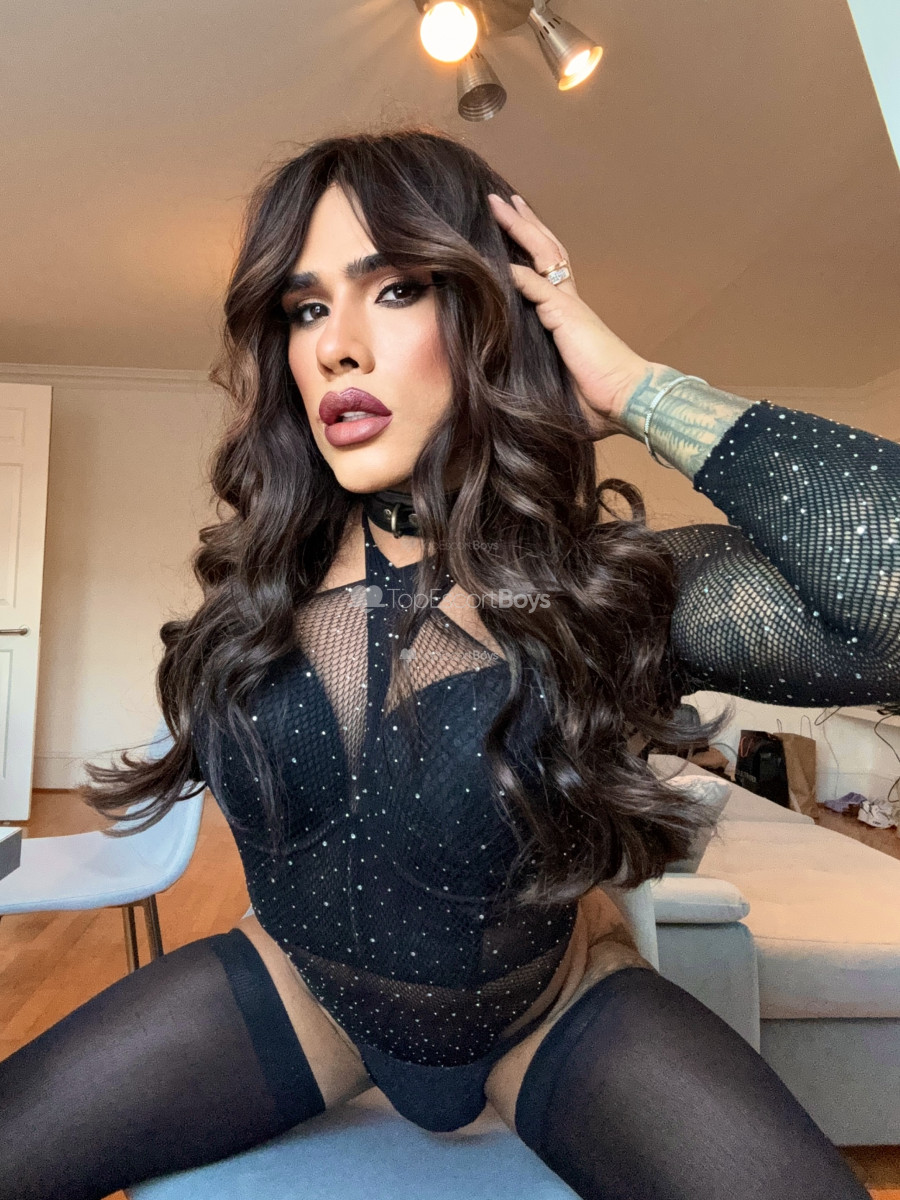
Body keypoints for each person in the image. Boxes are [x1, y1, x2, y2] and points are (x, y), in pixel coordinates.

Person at [1, 126, 895, 1200]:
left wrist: (634, 387)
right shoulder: (264, 580)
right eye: (307, 308)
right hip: (300, 994)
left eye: (394, 291)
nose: (336, 348)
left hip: (549, 1014)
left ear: (487, 318)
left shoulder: (606, 590)